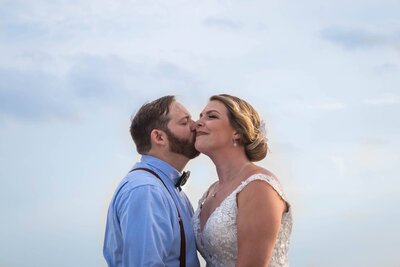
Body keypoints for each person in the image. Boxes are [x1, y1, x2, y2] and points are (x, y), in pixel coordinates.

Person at [192, 94, 292, 267]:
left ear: (237, 132)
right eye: (200, 116)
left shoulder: (259, 186)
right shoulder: (209, 192)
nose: (198, 123)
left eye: (211, 116)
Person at [103, 95, 201, 267]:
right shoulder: (146, 190)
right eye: (185, 122)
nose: (195, 125)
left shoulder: (167, 187)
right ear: (159, 137)